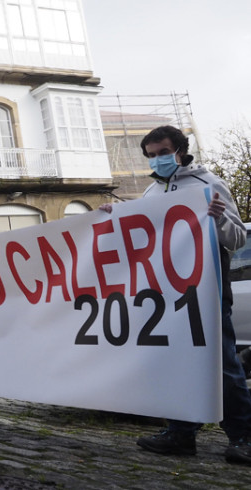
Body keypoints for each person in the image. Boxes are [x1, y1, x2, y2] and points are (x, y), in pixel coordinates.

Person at [101, 125, 251, 465]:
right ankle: (181, 433)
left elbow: (238, 238)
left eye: (163, 153)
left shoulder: (208, 184)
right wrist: (115, 218)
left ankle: (244, 435)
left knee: (222, 361)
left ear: (181, 150)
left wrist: (218, 220)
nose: (158, 160)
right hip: (165, 290)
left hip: (206, 286)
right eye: (151, 156)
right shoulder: (151, 194)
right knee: (174, 361)